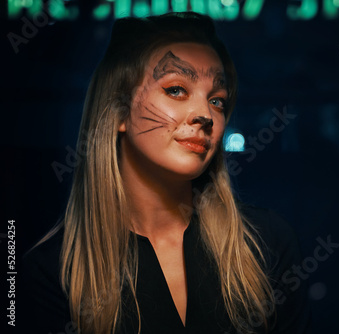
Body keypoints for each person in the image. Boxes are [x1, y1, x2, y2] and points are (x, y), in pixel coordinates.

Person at [20, 12, 311, 334]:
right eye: (176, 90)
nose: (205, 115)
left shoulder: (265, 244)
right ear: (119, 111)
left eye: (217, 100)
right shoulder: (52, 273)